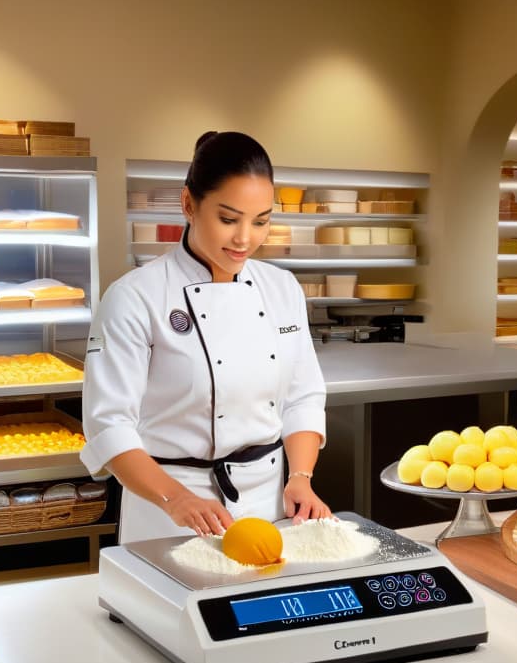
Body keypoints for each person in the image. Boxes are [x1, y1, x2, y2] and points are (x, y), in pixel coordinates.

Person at [80, 131, 331, 543]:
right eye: (229, 219)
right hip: (168, 508)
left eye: (261, 221)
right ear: (188, 205)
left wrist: (300, 477)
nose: (245, 238)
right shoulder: (134, 296)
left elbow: (303, 397)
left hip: (269, 503)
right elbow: (109, 425)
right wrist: (175, 498)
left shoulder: (282, 288)